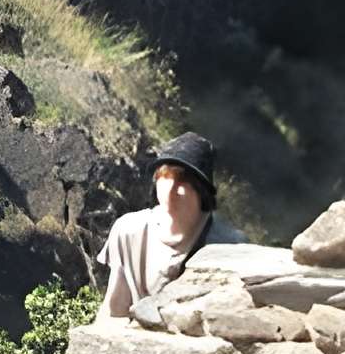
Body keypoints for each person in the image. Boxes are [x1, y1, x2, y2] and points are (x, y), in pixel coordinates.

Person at [99, 132, 240, 319]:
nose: (170, 189)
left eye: (182, 181)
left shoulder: (227, 245)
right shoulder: (129, 231)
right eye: (165, 176)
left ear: (201, 191)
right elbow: (114, 310)